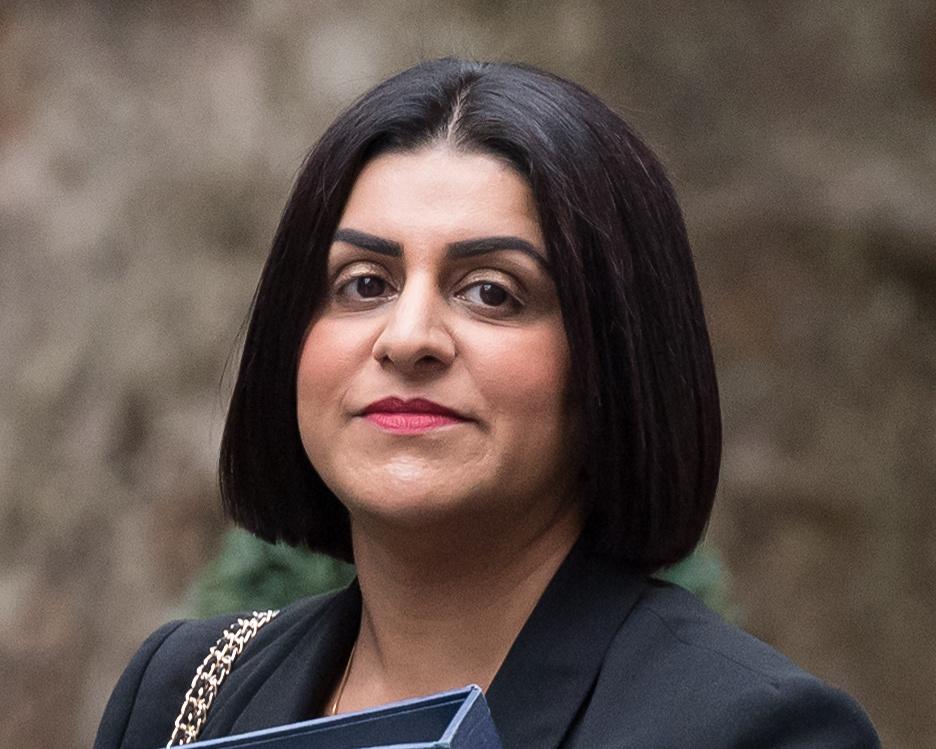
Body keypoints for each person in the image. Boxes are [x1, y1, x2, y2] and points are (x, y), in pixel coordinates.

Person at [94, 58, 879, 748]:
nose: (408, 338)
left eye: (491, 293)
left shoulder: (752, 730)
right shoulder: (184, 694)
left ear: (612, 357)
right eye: (364, 284)